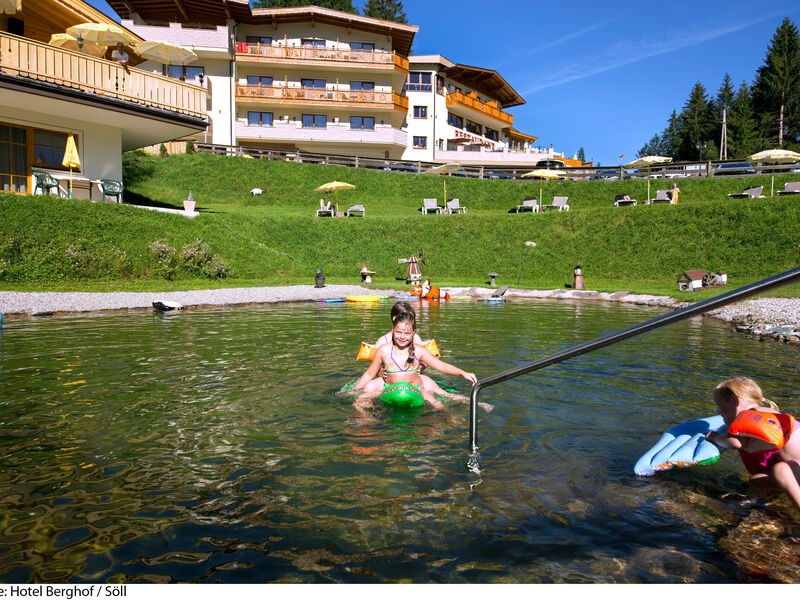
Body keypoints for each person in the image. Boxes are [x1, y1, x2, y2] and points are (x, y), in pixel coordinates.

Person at [352, 310, 477, 412]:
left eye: (407, 333)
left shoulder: (419, 351)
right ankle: (368, 421)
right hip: (389, 389)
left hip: (417, 389)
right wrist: (354, 390)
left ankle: (474, 406)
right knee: (360, 400)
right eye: (399, 332)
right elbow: (369, 373)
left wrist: (463, 373)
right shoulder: (383, 350)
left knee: (438, 403)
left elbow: (441, 366)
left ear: (413, 333)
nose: (402, 336)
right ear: (393, 330)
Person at [706, 377, 800, 512]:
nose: (718, 411)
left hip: (791, 471)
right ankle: (761, 499)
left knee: (772, 474)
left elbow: (736, 442)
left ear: (735, 400)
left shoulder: (749, 417)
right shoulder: (769, 414)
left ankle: (756, 501)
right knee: (757, 481)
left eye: (720, 405)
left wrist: (715, 438)